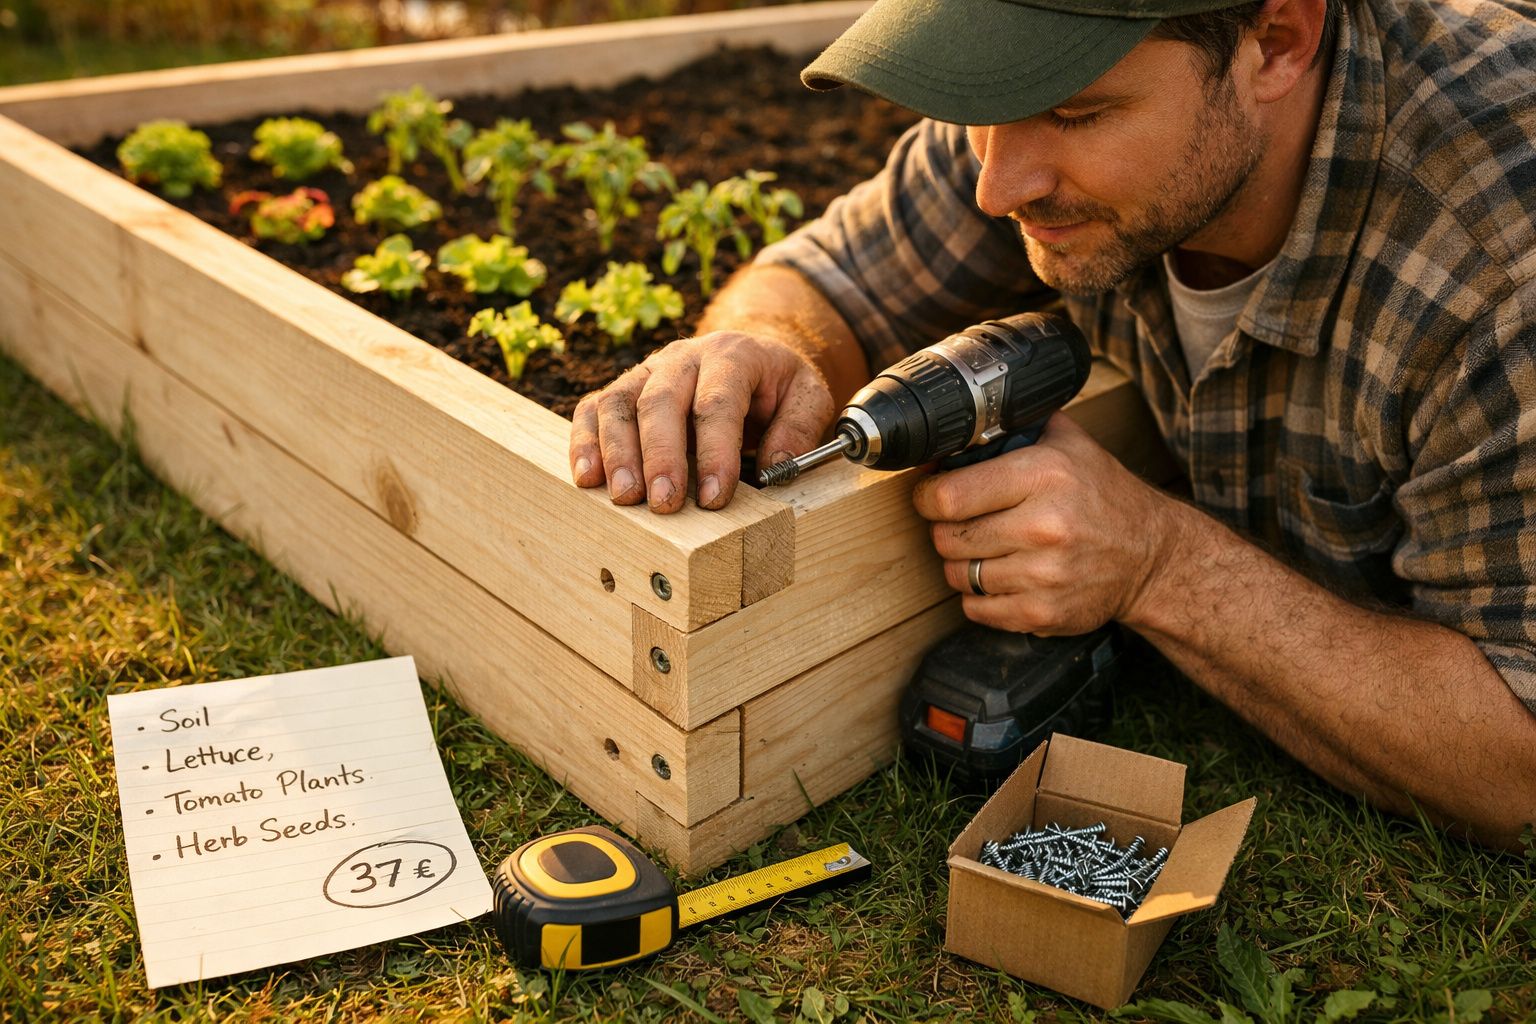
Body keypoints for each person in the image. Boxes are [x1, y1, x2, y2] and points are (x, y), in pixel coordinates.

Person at [566, 0, 1536, 846]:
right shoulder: (1024, 117)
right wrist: (765, 345)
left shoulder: (1498, 259)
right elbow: (827, 276)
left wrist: (1161, 563)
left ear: (1277, 41)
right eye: (986, 105)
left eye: (1077, 111)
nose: (997, 186)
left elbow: (1518, 760)